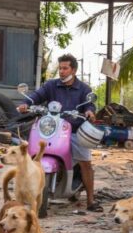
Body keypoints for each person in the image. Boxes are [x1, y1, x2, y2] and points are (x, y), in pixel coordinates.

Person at [16, 54, 99, 210]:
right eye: (60, 68)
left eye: (65, 68)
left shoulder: (83, 89)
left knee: (85, 162)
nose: (61, 71)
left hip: (74, 130)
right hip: (53, 128)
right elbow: (36, 96)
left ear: (73, 70)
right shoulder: (51, 85)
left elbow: (90, 105)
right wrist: (25, 103)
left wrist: (89, 112)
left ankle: (91, 200)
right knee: (31, 156)